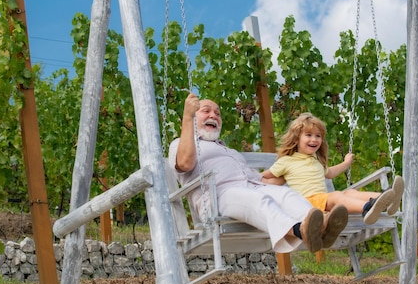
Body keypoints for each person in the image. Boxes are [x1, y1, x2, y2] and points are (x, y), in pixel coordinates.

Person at [168, 94, 349, 254]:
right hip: (219, 196)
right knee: (259, 200)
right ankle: (301, 231)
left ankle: (322, 227)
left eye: (217, 113)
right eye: (205, 111)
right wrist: (187, 116)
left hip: (252, 187)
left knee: (287, 194)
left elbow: (262, 180)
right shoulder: (182, 143)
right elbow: (184, 163)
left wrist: (296, 167)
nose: (213, 115)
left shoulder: (230, 152)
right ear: (193, 118)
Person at [261, 113, 404, 225]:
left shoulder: (316, 160)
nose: (314, 139)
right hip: (308, 204)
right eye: (309, 135)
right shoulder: (287, 161)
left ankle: (385, 198)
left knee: (349, 192)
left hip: (321, 201)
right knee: (336, 196)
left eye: (318, 136)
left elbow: (329, 173)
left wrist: (346, 163)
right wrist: (258, 181)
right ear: (296, 138)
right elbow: (265, 176)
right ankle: (367, 208)